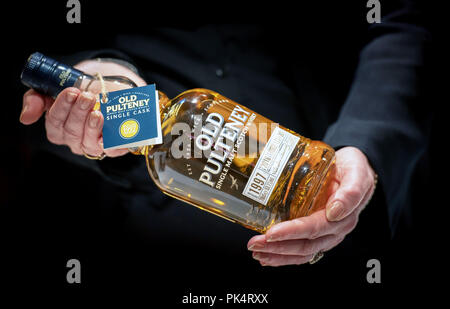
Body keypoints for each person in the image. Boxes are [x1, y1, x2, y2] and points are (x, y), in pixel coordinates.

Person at [18, 1, 432, 269]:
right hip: (164, 248)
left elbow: (403, 17)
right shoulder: (160, 165)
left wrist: (367, 141)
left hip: (366, 197)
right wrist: (104, 80)